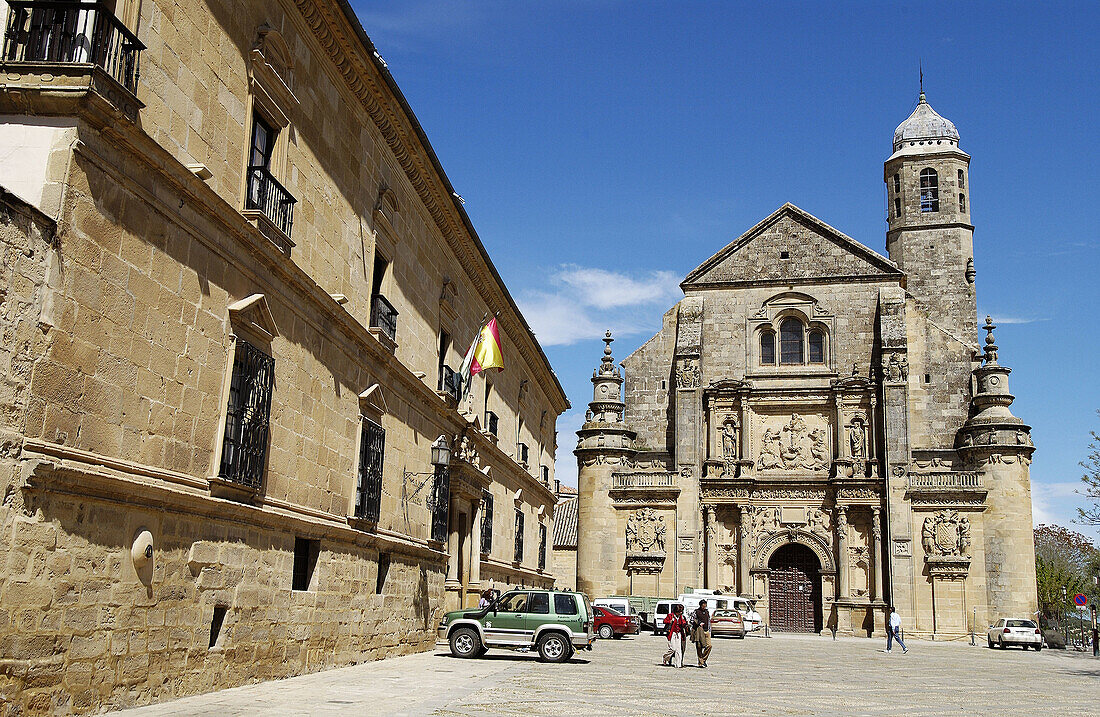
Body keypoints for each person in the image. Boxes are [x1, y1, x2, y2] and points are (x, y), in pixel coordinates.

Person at [691, 600, 713, 667]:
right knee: (699, 647)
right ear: (700, 605)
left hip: (706, 631)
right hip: (699, 631)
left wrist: (710, 630)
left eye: (705, 605)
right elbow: (692, 620)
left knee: (709, 646)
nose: (704, 607)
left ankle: (703, 660)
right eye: (703, 606)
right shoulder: (696, 611)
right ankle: (701, 662)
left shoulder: (707, 612)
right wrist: (698, 623)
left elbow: (709, 621)